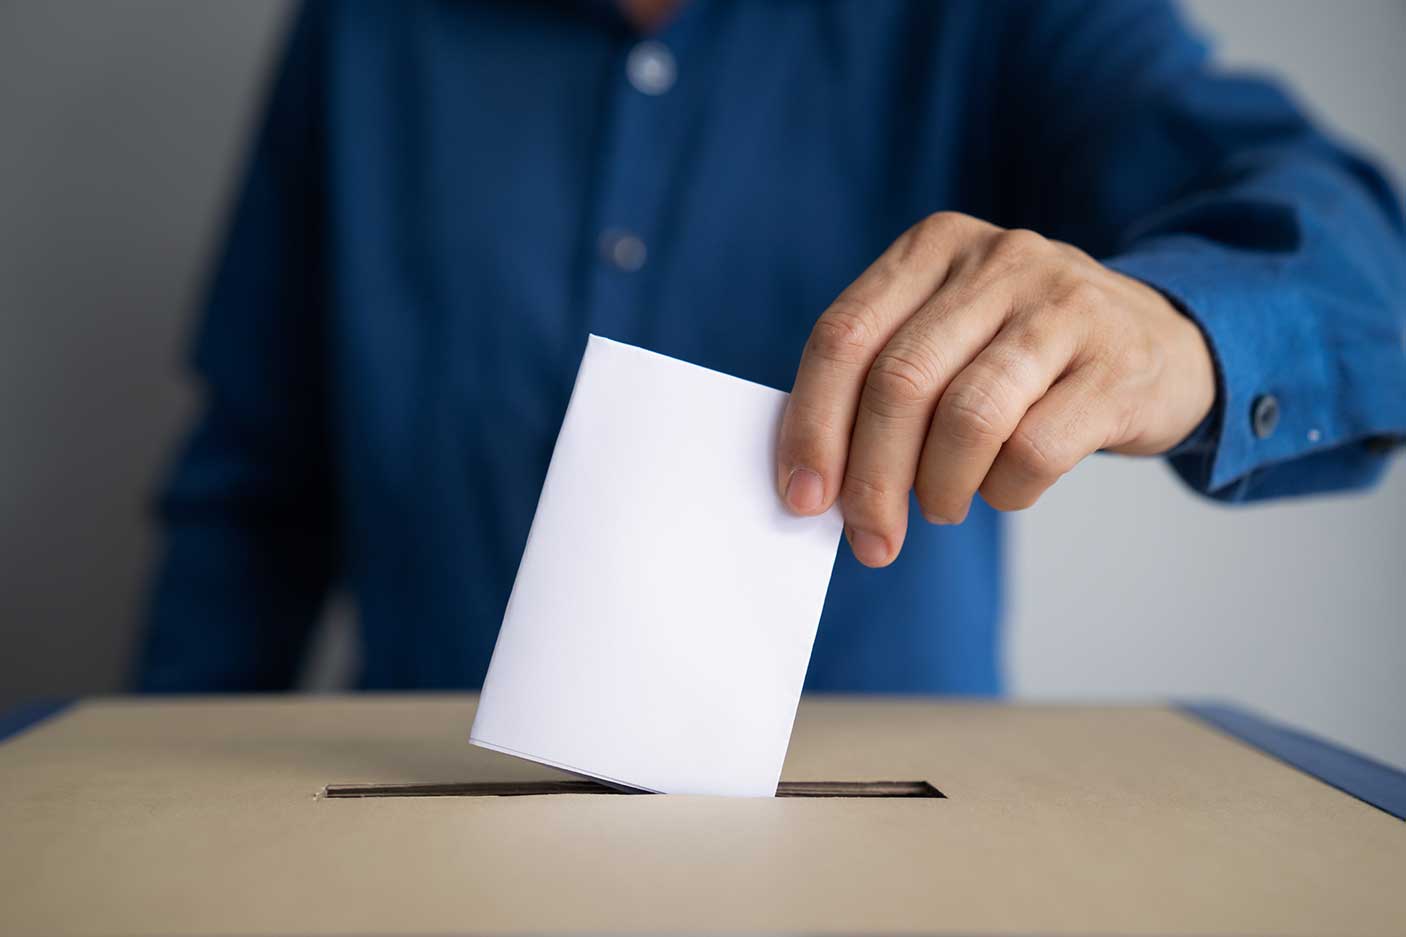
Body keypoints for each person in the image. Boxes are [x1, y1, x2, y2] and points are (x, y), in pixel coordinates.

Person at [138, 0, 1406, 694]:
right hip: (413, 830)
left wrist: (1175, 327)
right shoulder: (365, 30)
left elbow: (1366, 269)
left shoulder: (1000, 18)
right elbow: (252, 491)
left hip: (887, 842)